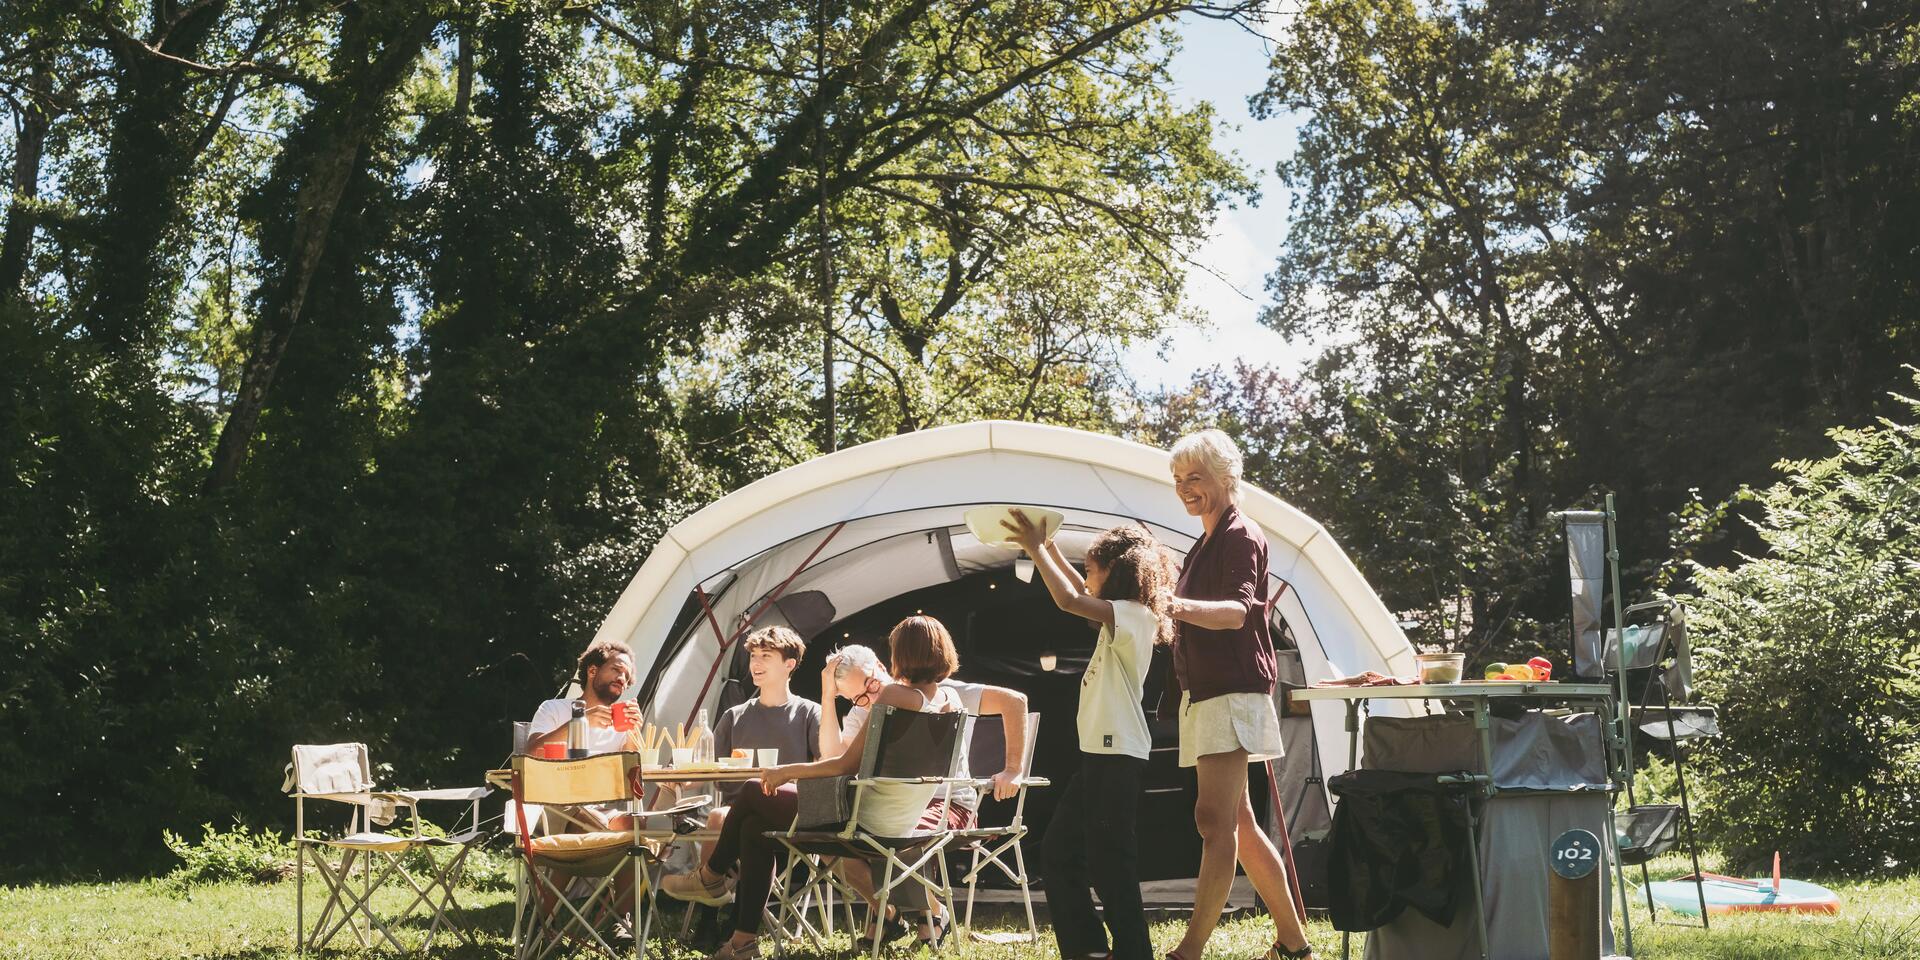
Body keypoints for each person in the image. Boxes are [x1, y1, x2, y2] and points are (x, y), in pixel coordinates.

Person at [663, 616, 1015, 960]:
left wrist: (787, 771)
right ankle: (741, 941)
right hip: (887, 813)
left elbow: (844, 765)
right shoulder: (946, 703)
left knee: (756, 790)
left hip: (867, 817)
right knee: (755, 826)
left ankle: (710, 876)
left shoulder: (894, 695)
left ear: (896, 657)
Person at [1162, 429, 1314, 960]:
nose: (1184, 488)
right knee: (1240, 824)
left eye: (1195, 477)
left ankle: (1189, 951)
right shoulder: (1206, 539)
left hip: (1231, 690)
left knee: (1214, 821)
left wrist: (1172, 606)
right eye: (1178, 479)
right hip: (1208, 692)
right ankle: (1295, 946)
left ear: (1228, 478)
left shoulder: (1240, 534)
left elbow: (1235, 612)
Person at [1005, 513, 1170, 960]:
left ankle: (1134, 953)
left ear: (1118, 572)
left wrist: (1037, 548)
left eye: (1093, 568)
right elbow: (1078, 592)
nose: (1086, 576)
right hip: (1099, 758)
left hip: (1118, 758)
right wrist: (1049, 543)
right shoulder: (1119, 616)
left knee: (1111, 864)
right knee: (1059, 855)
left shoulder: (1135, 616)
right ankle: (1089, 950)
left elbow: (1069, 600)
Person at [818, 643, 1027, 946]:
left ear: (880, 665)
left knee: (895, 834)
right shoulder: (860, 713)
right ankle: (886, 910)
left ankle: (931, 914)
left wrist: (1013, 769)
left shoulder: (934, 690)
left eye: (871, 685)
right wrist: (827, 697)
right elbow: (833, 760)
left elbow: (1015, 701)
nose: (871, 698)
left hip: (948, 803)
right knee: (827, 834)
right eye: (859, 698)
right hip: (893, 806)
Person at [692, 627, 822, 861]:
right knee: (720, 817)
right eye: (753, 655)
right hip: (738, 811)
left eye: (766, 656)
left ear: (789, 664)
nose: (756, 663)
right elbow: (707, 767)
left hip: (788, 813)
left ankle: (709, 881)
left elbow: (828, 764)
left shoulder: (809, 712)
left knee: (722, 818)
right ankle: (712, 888)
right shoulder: (734, 715)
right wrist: (675, 780)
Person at [526, 638, 639, 831]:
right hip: (553, 805)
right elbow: (531, 753)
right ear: (592, 670)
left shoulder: (619, 727)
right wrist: (579, 722)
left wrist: (634, 733)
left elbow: (633, 779)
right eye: (617, 669)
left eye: (627, 677)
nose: (622, 678)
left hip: (596, 808)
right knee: (597, 825)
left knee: (634, 824)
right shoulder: (554, 708)